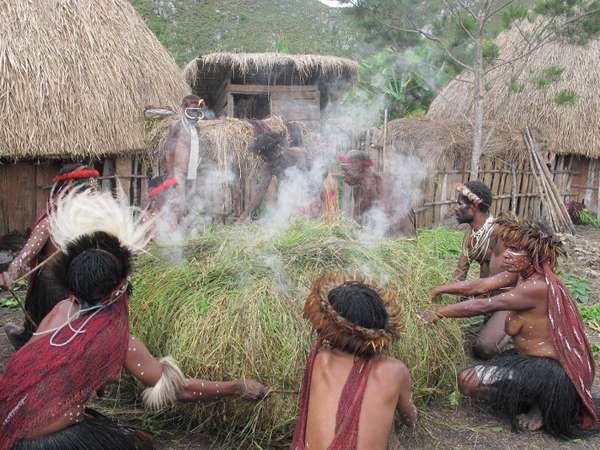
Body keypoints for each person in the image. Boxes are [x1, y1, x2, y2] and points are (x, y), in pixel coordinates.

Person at [0, 188, 267, 450]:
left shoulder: (60, 309)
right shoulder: (117, 339)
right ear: (115, 290)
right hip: (41, 440)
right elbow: (179, 390)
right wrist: (237, 387)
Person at [424, 219, 597, 437]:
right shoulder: (522, 275)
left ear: (533, 256)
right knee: (465, 381)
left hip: (550, 371)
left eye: (516, 250)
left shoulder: (537, 287)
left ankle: (546, 403)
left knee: (469, 382)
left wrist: (439, 313)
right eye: (509, 248)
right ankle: (534, 397)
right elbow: (480, 286)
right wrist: (439, 289)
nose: (506, 254)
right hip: (529, 361)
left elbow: (486, 304)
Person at [291, 275, 417, 450]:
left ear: (328, 329)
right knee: (389, 428)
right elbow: (409, 417)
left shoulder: (320, 361)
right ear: (380, 331)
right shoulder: (394, 371)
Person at [0, 163, 99, 349]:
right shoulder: (51, 219)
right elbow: (26, 254)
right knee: (51, 342)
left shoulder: (90, 221)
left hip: (77, 286)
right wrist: (10, 272)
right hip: (52, 290)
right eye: (86, 191)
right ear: (70, 190)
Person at [433, 183, 518, 359]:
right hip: (488, 298)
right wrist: (442, 302)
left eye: (460, 204)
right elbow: (459, 274)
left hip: (510, 300)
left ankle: (517, 329)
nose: (455, 209)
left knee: (483, 348)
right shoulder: (471, 236)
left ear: (475, 206)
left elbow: (486, 285)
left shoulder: (500, 235)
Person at [237, 124, 311, 223]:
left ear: (276, 150)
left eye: (266, 155)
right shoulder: (269, 167)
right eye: (262, 156)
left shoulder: (298, 154)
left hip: (307, 196)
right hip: (287, 201)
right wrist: (243, 217)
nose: (264, 159)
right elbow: (260, 192)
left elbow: (314, 176)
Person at [337, 150, 415, 236]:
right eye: (342, 169)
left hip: (399, 230)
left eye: (346, 169)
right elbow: (358, 217)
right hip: (380, 232)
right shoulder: (358, 187)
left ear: (359, 168)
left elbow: (388, 219)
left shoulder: (383, 185)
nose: (342, 174)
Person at [161, 95, 207, 220]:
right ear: (184, 110)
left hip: (192, 172)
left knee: (190, 200)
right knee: (178, 200)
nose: (195, 115)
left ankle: (182, 229)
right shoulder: (177, 126)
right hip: (178, 171)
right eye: (192, 111)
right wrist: (170, 173)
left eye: (197, 112)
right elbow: (168, 151)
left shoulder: (195, 129)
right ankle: (172, 230)